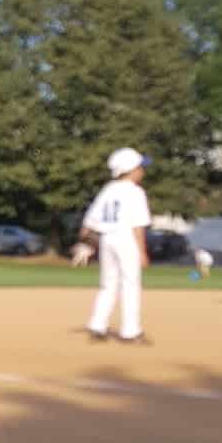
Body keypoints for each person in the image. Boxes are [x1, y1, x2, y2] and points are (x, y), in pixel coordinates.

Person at [79, 147, 152, 344]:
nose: (142, 171)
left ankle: (97, 326)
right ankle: (130, 332)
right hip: (127, 239)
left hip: (107, 240)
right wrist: (142, 251)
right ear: (130, 169)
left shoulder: (108, 189)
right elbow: (138, 225)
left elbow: (89, 222)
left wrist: (83, 243)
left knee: (108, 284)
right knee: (130, 285)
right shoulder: (135, 192)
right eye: (140, 167)